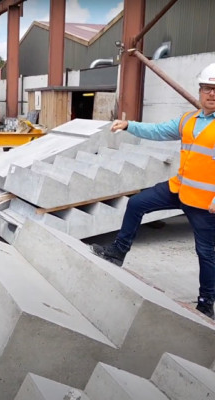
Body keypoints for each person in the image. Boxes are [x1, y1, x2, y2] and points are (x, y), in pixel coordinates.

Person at [91, 63, 215, 320]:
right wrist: (129, 125)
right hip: (179, 189)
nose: (211, 94)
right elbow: (157, 131)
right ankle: (118, 252)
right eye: (207, 88)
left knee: (206, 252)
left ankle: (206, 303)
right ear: (200, 91)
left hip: (205, 202)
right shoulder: (188, 120)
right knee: (137, 204)